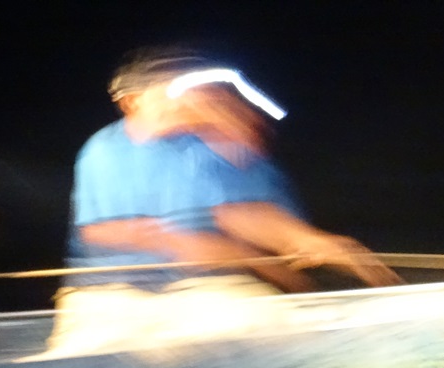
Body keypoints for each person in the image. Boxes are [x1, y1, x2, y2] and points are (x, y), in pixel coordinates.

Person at [67, 47, 401, 294]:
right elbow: (103, 231)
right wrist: (278, 272)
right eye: (173, 92)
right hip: (114, 292)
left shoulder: (196, 149)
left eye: (192, 92)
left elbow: (239, 214)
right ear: (133, 101)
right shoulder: (105, 149)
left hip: (198, 291)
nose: (190, 101)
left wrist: (311, 241)